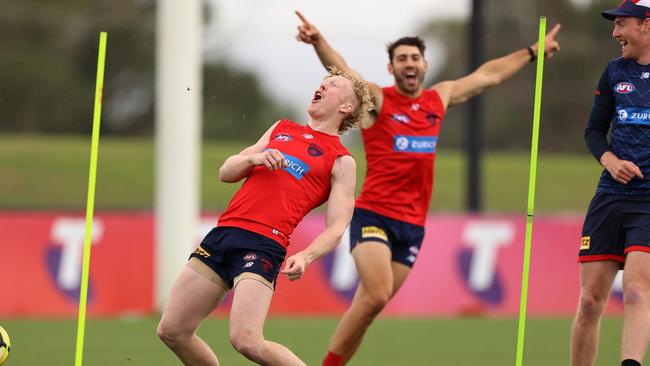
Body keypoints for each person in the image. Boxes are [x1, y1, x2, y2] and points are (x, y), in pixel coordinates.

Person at [295, 11, 562, 366]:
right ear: (391, 68)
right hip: (374, 214)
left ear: (424, 64)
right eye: (401, 58)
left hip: (413, 227)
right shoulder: (380, 100)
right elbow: (344, 71)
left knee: (369, 307)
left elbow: (489, 75)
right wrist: (318, 41)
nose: (409, 63)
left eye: (415, 58)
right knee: (375, 296)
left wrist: (534, 50)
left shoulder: (439, 98)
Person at [156, 67, 372, 366]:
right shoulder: (281, 128)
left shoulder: (341, 159)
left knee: (246, 340)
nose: (322, 85)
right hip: (223, 235)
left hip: (263, 244)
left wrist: (307, 256)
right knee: (172, 330)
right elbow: (226, 171)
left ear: (346, 107)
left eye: (332, 84)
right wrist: (253, 159)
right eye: (322, 81)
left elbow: (337, 226)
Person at [571, 1, 650, 366]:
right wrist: (611, 161)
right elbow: (593, 131)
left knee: (636, 291)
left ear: (646, 26)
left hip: (648, 201)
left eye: (622, 24)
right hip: (609, 196)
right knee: (589, 301)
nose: (615, 33)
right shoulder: (614, 71)